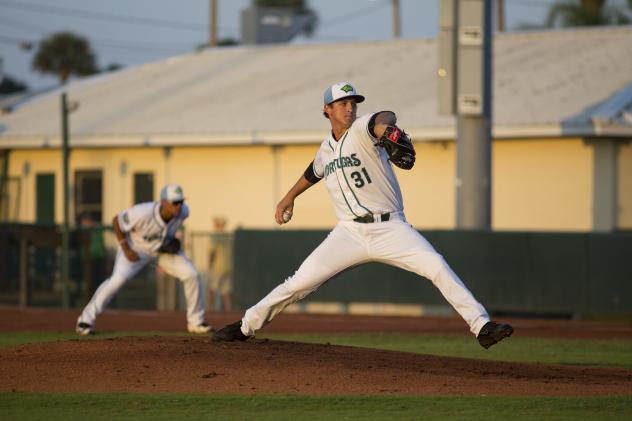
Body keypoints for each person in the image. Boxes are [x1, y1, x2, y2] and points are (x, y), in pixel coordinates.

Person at [213, 82, 513, 349]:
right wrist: (288, 198)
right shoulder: (326, 149)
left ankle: (482, 327)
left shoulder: (362, 128)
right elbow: (313, 172)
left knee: (435, 265)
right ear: (327, 110)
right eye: (342, 104)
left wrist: (389, 132)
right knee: (298, 283)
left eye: (353, 103)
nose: (349, 108)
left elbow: (385, 117)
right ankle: (245, 327)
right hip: (348, 234)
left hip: (391, 227)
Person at [76, 183, 211, 335]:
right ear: (163, 202)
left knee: (191, 274)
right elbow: (116, 221)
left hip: (161, 252)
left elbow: (168, 231)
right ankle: (85, 321)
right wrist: (125, 248)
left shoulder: (184, 212)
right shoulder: (142, 212)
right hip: (135, 249)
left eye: (181, 201)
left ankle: (196, 322)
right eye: (175, 202)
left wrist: (171, 241)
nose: (179, 206)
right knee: (117, 280)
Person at [207, 216, 233, 312]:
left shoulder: (215, 236)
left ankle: (210, 310)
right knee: (226, 291)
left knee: (211, 289)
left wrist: (209, 266)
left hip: (217, 267)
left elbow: (212, 252)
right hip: (228, 267)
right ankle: (228, 312)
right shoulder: (228, 237)